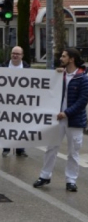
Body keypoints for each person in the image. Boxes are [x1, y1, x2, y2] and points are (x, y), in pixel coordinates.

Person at [33, 48, 88, 192]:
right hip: (56, 119)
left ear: (72, 59)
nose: (61, 59)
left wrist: (66, 113)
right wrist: (54, 76)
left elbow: (83, 101)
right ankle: (45, 176)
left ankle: (71, 180)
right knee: (51, 148)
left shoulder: (83, 77)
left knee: (73, 152)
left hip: (74, 120)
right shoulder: (59, 75)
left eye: (64, 56)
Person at [1, 46, 29, 157]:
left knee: (21, 126)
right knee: (6, 125)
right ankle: (6, 148)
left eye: (17, 54)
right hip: (5, 101)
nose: (15, 55)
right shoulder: (3, 67)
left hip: (21, 102)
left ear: (22, 56)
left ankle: (20, 149)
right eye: (13, 53)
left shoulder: (27, 68)